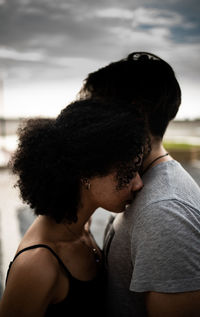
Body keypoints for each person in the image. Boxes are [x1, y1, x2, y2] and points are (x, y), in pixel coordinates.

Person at [0, 99, 148, 317]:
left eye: (138, 170)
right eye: (127, 172)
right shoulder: (37, 264)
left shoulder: (81, 227)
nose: (138, 183)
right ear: (86, 172)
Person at [79, 52, 200, 316]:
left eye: (100, 107)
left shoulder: (164, 212)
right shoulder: (139, 183)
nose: (93, 119)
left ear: (137, 111)